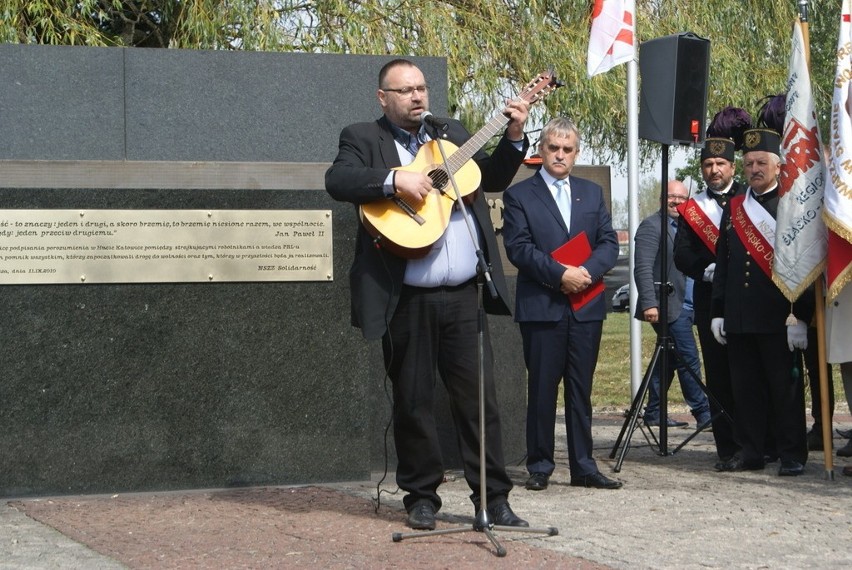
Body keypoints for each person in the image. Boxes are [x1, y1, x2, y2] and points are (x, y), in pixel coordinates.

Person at [325, 59, 531, 530]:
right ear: (383, 97)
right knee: (413, 400)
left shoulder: (450, 132)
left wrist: (515, 138)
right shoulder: (361, 137)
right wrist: (396, 179)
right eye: (405, 91)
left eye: (421, 88)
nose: (417, 97)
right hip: (407, 298)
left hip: (463, 296)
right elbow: (337, 181)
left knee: (481, 401)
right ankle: (421, 498)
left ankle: (493, 498)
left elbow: (489, 178)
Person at [502, 117, 622, 492]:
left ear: (576, 153)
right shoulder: (519, 195)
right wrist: (560, 275)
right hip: (542, 306)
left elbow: (608, 242)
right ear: (541, 150)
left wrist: (585, 271)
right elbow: (518, 248)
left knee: (580, 388)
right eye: (553, 147)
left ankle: (584, 467)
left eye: (567, 149)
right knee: (541, 388)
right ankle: (540, 465)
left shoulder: (591, 193)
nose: (559, 154)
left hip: (586, 306)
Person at [710, 127, 814, 476]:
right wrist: (717, 312)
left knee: (784, 391)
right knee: (746, 391)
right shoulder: (737, 206)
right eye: (749, 163)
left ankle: (791, 454)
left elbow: (806, 265)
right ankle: (751, 451)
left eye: (760, 163)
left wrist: (802, 316)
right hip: (739, 317)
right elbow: (724, 262)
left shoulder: (792, 205)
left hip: (778, 319)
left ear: (777, 165)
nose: (754, 169)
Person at [673, 110, 748, 469]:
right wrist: (706, 270)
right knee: (718, 376)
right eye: (708, 164)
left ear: (733, 167)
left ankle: (758, 443)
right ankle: (727, 448)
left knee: (749, 373)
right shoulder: (692, 209)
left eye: (721, 163)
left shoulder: (751, 200)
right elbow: (681, 254)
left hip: (749, 301)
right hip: (709, 302)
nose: (714, 170)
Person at [635, 180, 711, 430]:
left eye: (681, 198)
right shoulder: (651, 226)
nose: (676, 202)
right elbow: (643, 267)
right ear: (661, 199)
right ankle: (703, 413)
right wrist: (649, 303)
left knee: (667, 359)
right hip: (666, 306)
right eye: (671, 197)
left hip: (690, 306)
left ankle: (654, 412)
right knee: (688, 358)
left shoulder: (688, 227)